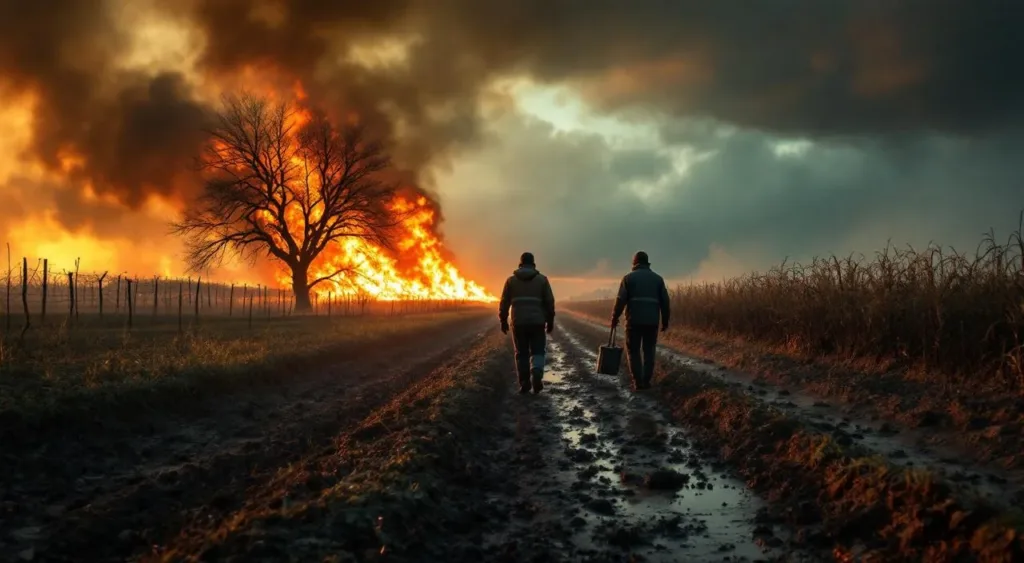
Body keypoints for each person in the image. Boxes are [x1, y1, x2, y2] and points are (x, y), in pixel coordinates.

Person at [610, 251, 671, 390]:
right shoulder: (658, 279)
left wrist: (614, 317)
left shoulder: (628, 278)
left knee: (633, 351)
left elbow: (620, 300)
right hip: (652, 322)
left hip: (633, 322)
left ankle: (638, 382)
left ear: (634, 262)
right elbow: (665, 302)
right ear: (647, 262)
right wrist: (665, 320)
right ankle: (647, 381)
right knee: (649, 351)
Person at [498, 252, 556, 394]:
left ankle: (524, 382)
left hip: (519, 322)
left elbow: (504, 302)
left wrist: (503, 320)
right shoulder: (542, 280)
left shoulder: (511, 281)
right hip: (537, 322)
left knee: (521, 353)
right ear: (533, 264)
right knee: (538, 350)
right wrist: (550, 320)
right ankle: (536, 371)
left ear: (520, 263)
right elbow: (549, 302)